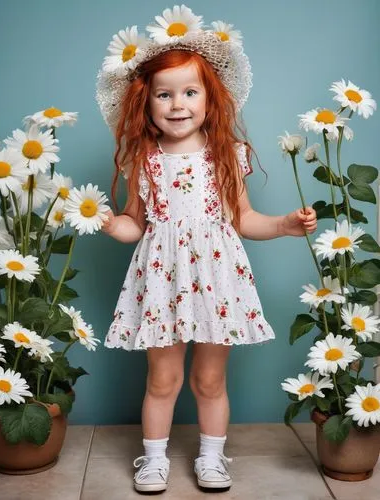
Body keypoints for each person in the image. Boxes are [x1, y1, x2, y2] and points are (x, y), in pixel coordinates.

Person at [96, 4, 317, 494]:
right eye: (164, 95)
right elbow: (138, 223)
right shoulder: (144, 160)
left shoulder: (224, 155)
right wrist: (111, 224)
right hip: (161, 279)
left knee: (211, 380)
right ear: (146, 102)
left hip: (217, 280)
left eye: (190, 92)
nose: (178, 104)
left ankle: (212, 459)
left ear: (209, 98)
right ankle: (152, 461)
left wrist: (282, 225)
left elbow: (244, 219)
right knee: (162, 378)